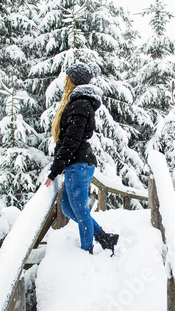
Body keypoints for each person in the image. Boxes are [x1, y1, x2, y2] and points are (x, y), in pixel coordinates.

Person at [44, 62, 119, 255]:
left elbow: (71, 140)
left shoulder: (80, 104)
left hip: (78, 165)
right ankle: (104, 237)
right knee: (70, 209)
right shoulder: (79, 102)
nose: (65, 82)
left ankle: (87, 250)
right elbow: (68, 139)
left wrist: (54, 170)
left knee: (80, 210)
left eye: (68, 78)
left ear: (74, 81)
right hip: (76, 164)